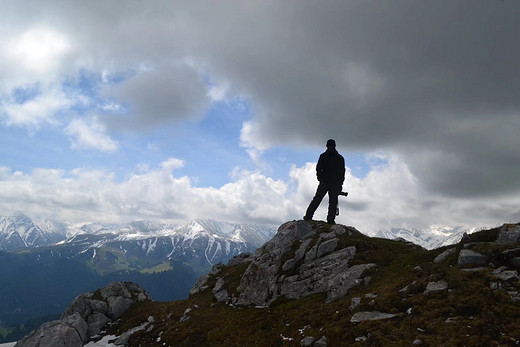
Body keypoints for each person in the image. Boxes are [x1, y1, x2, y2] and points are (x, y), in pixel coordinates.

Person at [303, 139, 345, 224]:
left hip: (324, 182)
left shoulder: (323, 156)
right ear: (335, 146)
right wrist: (340, 184)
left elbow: (318, 168)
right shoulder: (340, 158)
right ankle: (330, 220)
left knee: (317, 199)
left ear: (326, 146)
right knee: (333, 202)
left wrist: (320, 179)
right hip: (335, 183)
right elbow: (342, 172)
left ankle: (308, 216)